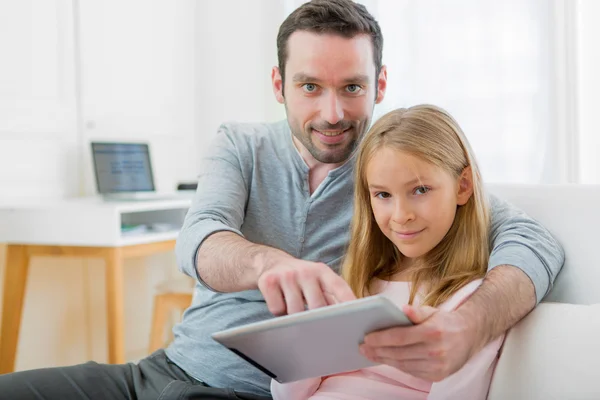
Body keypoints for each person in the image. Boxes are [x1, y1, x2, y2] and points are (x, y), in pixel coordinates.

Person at [0, 1, 564, 399]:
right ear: (279, 85)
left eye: (352, 87)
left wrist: (470, 328)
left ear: (380, 84)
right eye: (309, 86)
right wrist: (265, 262)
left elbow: (532, 239)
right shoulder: (239, 144)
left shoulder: (394, 171)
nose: (333, 113)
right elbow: (200, 240)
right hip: (161, 370)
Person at [272, 104, 507, 400]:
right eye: (383, 195)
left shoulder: (469, 306)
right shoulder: (354, 284)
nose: (400, 215)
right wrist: (299, 344)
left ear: (462, 186)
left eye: (420, 190)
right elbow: (288, 395)